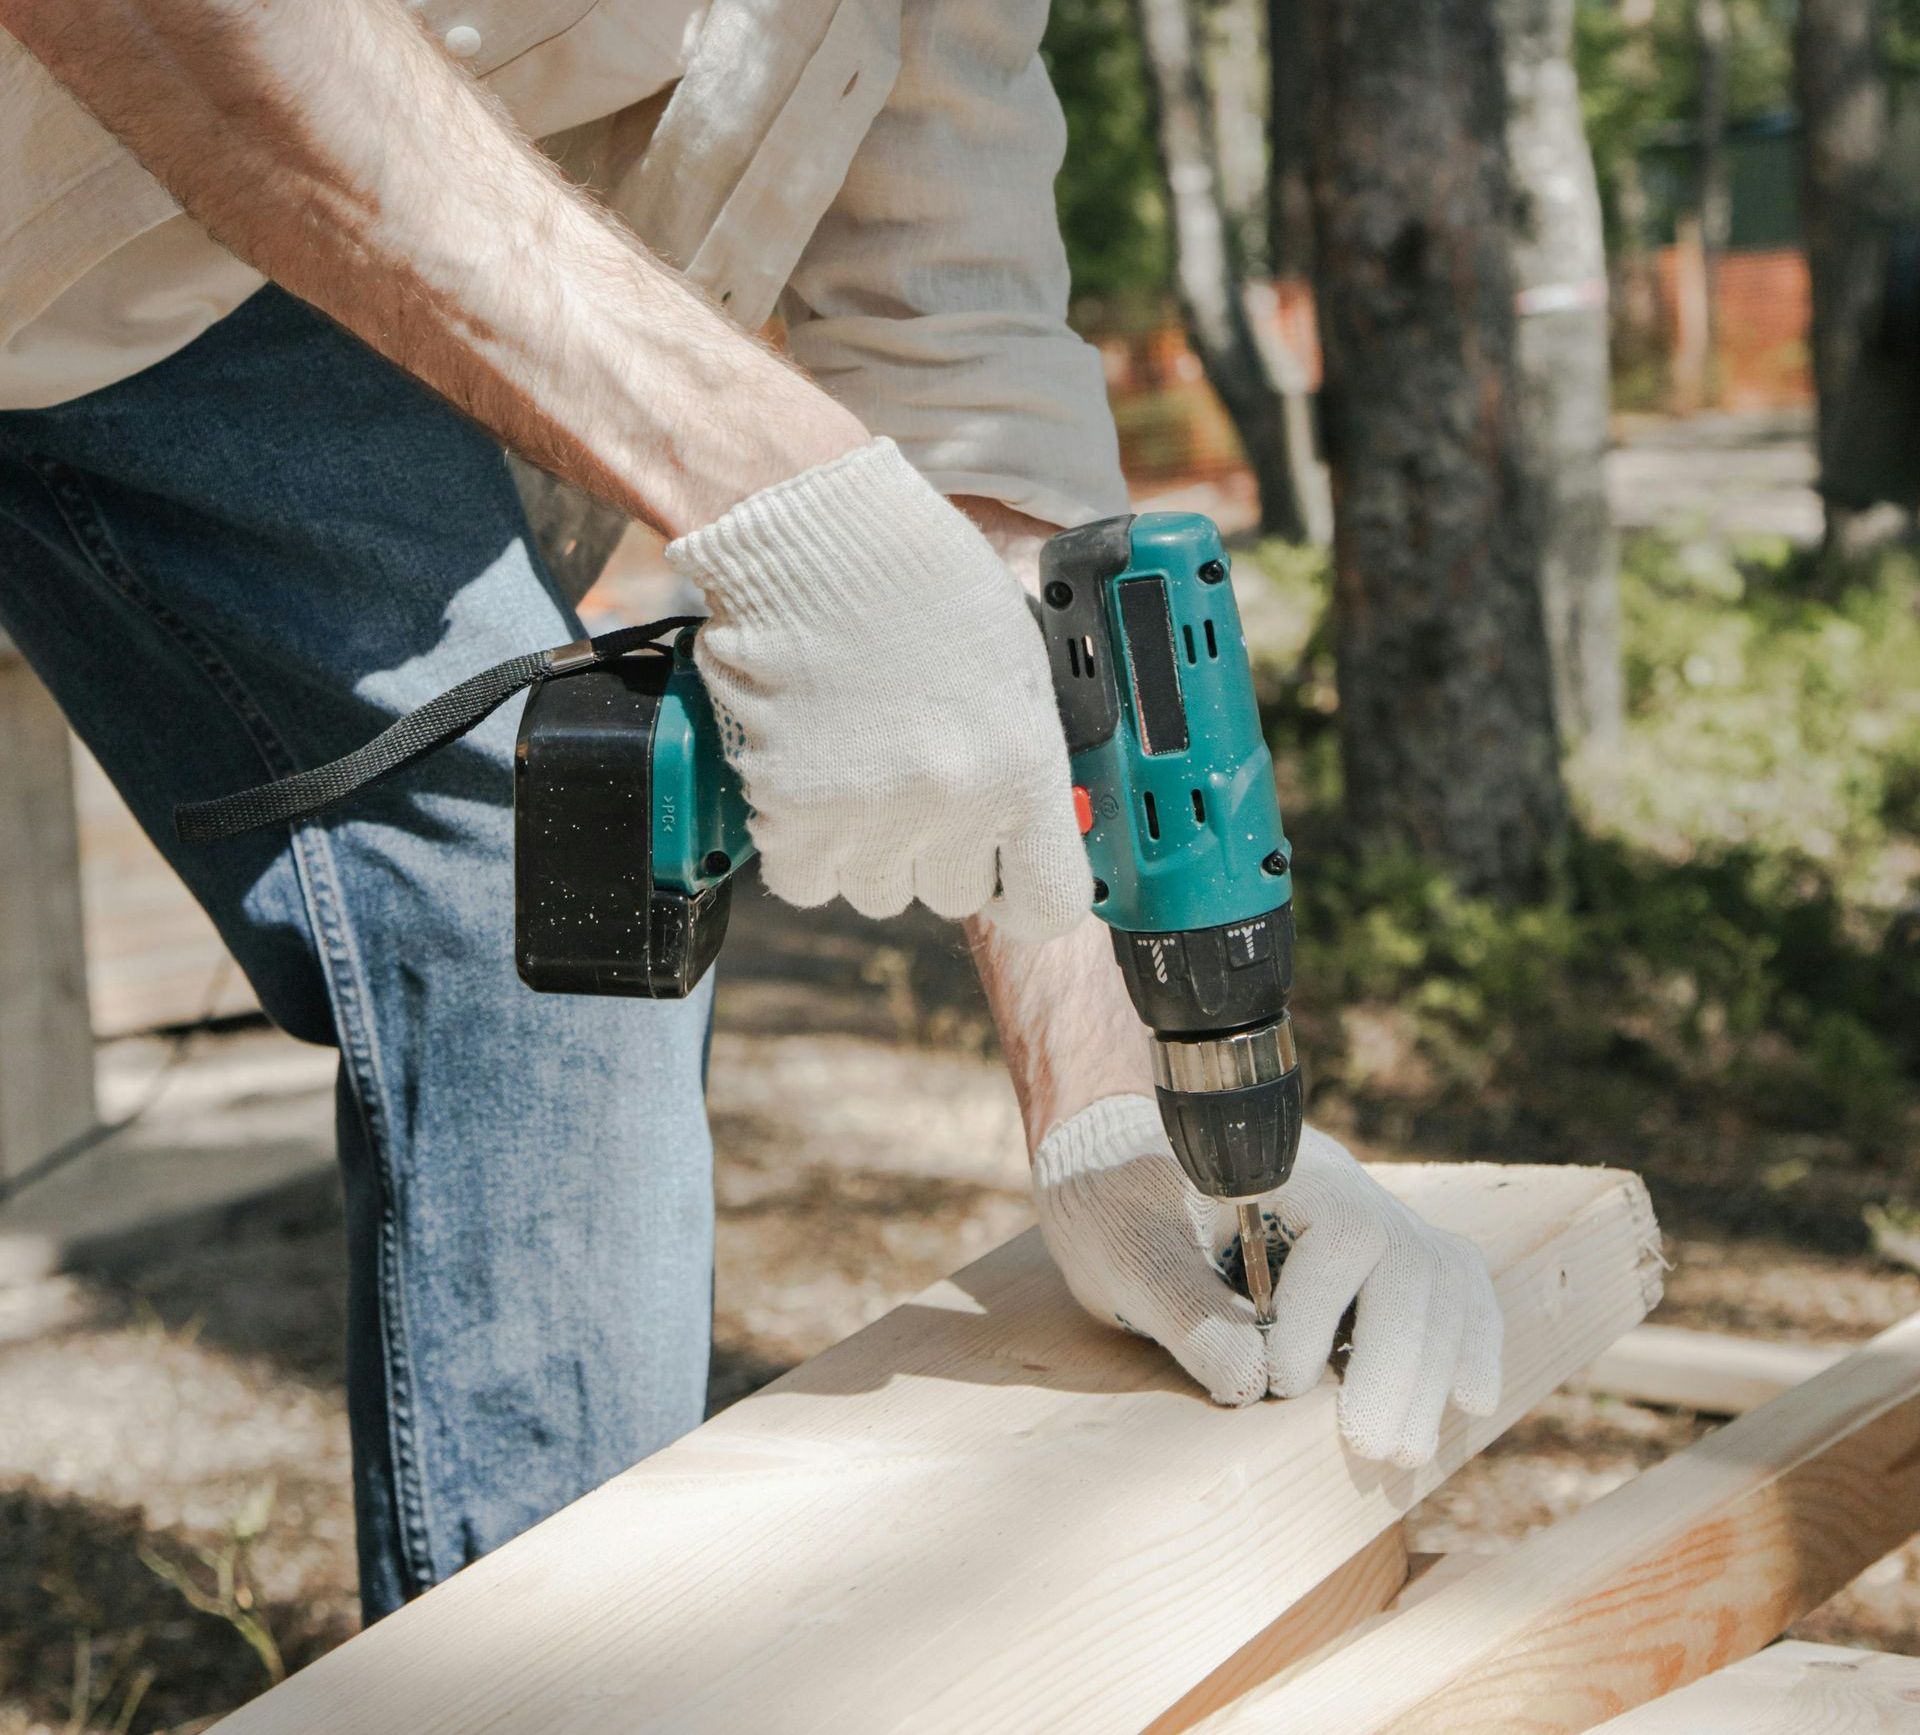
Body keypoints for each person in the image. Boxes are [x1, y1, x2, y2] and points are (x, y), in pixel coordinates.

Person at [0, 0, 1502, 1622]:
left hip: (269, 292)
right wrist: (773, 478)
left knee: (566, 866)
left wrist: (1110, 1086)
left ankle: (554, 1681)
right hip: (134, 197)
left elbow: (967, 382)